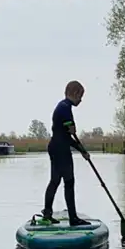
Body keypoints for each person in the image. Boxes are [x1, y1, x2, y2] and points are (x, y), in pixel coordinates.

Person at [41, 80, 89, 226]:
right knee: (68, 182)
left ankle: (47, 214)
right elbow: (69, 135)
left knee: (55, 181)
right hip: (60, 149)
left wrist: (82, 151)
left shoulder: (62, 106)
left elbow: (67, 135)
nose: (81, 100)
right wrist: (82, 150)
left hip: (56, 146)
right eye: (80, 96)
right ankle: (73, 218)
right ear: (74, 94)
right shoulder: (65, 108)